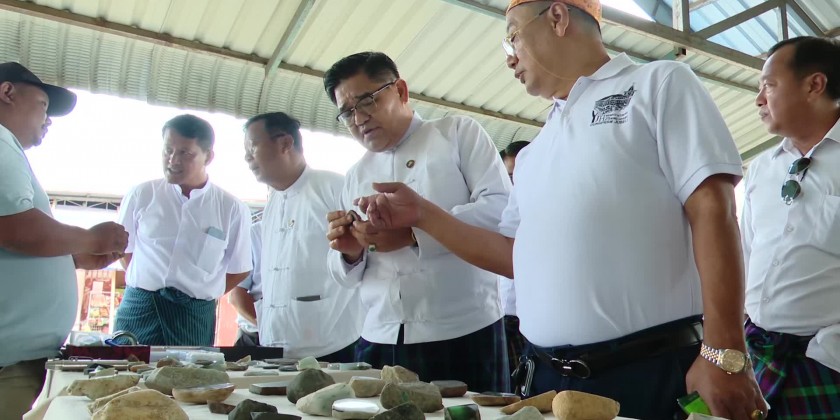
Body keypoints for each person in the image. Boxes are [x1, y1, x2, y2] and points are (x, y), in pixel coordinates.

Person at [350, 1, 768, 418]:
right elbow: (512, 256)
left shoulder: (658, 83)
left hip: (649, 371)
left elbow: (712, 209)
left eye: (512, 37)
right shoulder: (534, 153)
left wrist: (724, 351)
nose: (510, 58)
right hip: (548, 381)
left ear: (557, 17)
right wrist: (423, 214)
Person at [324, 52, 511, 391]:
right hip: (380, 335)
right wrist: (350, 252)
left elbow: (499, 212)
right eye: (347, 112)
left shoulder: (456, 134)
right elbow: (345, 276)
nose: (359, 118)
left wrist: (413, 234)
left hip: (462, 330)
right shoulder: (355, 175)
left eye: (366, 101)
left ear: (400, 91)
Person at [0, 62, 128, 417]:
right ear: (7, 92)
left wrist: (69, 257)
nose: (48, 120)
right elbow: (17, 229)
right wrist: (89, 239)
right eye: (43, 105)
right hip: (9, 365)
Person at [742, 36, 840, 418]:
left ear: (814, 85)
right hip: (756, 359)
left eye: (768, 85)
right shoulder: (761, 169)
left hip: (826, 364)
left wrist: (829, 348)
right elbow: (745, 256)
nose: (758, 99)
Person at [116, 114, 252, 346]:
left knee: (191, 370)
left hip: (192, 316)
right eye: (168, 150)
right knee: (127, 368)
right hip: (140, 307)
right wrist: (149, 282)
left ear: (208, 156)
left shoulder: (231, 208)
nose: (173, 160)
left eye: (185, 153)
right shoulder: (141, 195)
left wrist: (201, 291)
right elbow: (123, 250)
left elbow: (240, 269)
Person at [244, 112, 362, 360]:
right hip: (275, 343)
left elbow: (364, 258)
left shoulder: (334, 188)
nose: (247, 157)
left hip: (331, 344)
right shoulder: (273, 204)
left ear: (285, 143)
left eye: (252, 147)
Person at [498, 140, 530, 381]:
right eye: (509, 176)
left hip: (526, 315)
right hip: (501, 313)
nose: (514, 183)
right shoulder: (494, 207)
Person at [229, 221, 263, 347]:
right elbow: (236, 295)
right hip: (254, 336)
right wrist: (265, 326)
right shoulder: (255, 233)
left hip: (301, 338)